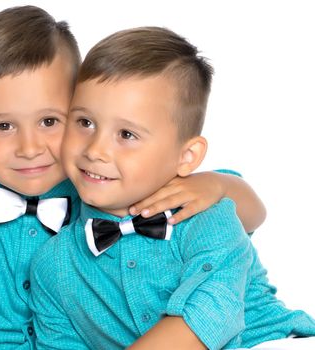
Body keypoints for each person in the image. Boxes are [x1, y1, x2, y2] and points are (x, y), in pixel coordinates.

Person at [0, 6, 265, 350]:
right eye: (3, 125)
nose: (29, 147)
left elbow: (240, 215)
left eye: (50, 121)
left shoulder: (102, 183)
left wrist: (219, 184)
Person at [29, 26, 315, 350]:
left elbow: (208, 316)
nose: (95, 150)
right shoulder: (52, 266)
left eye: (126, 135)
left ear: (186, 156)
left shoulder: (207, 215)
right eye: (85, 122)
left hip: (266, 341)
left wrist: (221, 183)